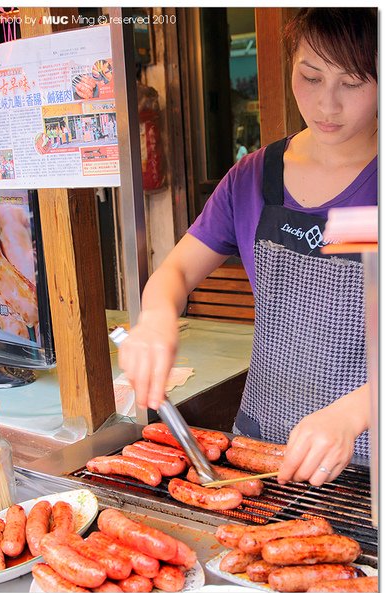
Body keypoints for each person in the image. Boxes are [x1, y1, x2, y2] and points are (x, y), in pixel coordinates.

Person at [118, 8, 377, 487]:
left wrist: (356, 412)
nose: (328, 105)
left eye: (354, 82)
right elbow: (174, 273)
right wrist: (155, 319)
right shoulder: (252, 178)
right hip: (259, 443)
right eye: (311, 76)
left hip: (365, 459)